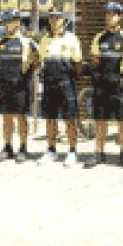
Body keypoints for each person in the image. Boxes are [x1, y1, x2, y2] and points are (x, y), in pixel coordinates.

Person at [83, 2, 123, 169]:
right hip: (102, 86)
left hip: (119, 86)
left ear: (120, 17)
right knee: (100, 120)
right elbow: (95, 61)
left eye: (114, 14)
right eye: (107, 14)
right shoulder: (99, 37)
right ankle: (99, 153)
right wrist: (96, 75)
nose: (110, 17)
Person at [36, 9, 83, 168]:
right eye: (52, 18)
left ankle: (72, 151)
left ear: (63, 20)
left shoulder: (71, 39)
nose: (55, 21)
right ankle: (51, 150)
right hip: (49, 84)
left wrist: (71, 81)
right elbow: (41, 61)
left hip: (66, 83)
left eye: (58, 18)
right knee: (50, 118)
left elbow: (78, 63)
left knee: (70, 118)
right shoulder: (44, 40)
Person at [0, 9, 39, 163]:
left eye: (10, 21)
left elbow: (36, 63)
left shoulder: (27, 42)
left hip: (21, 86)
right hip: (4, 86)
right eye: (4, 22)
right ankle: (7, 147)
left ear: (18, 22)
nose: (7, 25)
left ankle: (23, 147)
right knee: (6, 118)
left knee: (21, 118)